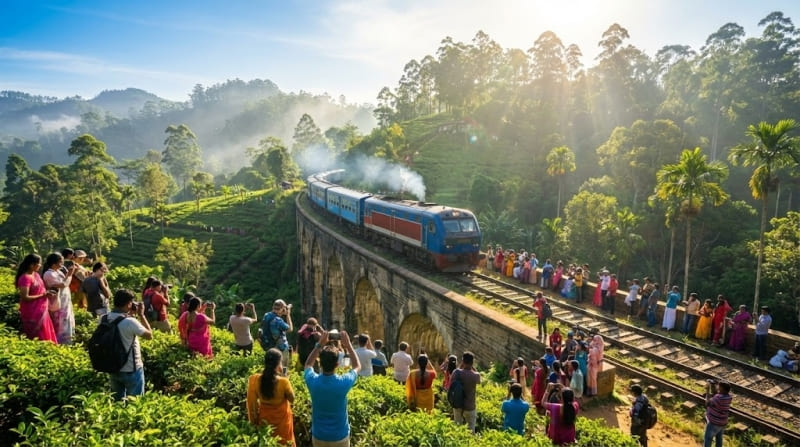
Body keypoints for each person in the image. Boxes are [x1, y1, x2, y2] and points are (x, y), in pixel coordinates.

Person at [304, 330, 360, 446]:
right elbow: (357, 366)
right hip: (339, 436)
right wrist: (348, 345)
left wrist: (319, 345)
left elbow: (308, 365)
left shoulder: (313, 381)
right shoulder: (343, 382)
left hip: (319, 435)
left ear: (320, 363)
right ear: (337, 365)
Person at [105, 289, 153, 401]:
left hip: (113, 367)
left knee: (117, 403)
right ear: (129, 304)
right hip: (132, 369)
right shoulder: (130, 322)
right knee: (135, 405)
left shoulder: (104, 318)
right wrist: (141, 315)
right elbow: (149, 335)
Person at [247, 348, 296, 446]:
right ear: (278, 365)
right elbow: (292, 399)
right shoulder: (283, 382)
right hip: (283, 424)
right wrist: (286, 379)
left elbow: (251, 404)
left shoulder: (254, 379)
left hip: (265, 422)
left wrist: (254, 423)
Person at [15, 254, 58, 343]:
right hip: (31, 311)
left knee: (45, 331)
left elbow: (41, 289)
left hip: (41, 309)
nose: (40, 265)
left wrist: (48, 293)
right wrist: (43, 295)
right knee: (37, 335)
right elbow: (25, 297)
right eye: (39, 264)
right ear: (32, 265)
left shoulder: (36, 275)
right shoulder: (25, 278)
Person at [41, 252, 76, 345]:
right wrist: (70, 275)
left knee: (67, 323)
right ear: (54, 263)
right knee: (61, 326)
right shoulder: (49, 274)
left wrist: (68, 275)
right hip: (58, 305)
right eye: (61, 262)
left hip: (65, 302)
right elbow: (63, 284)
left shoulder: (58, 272)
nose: (62, 264)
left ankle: (69, 344)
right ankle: (61, 345)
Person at [452, 351, 481, 432]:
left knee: (457, 428)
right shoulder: (476, 375)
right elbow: (479, 380)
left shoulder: (456, 372)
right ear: (472, 362)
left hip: (458, 404)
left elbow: (451, 384)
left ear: (463, 361)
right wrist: (472, 368)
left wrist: (461, 366)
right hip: (470, 405)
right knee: (471, 430)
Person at [260, 299, 293, 368]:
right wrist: (288, 315)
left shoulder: (266, 315)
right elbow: (290, 329)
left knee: (271, 367)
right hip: (280, 348)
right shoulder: (278, 320)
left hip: (269, 347)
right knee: (283, 367)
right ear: (282, 309)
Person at [703, 380, 732, 447]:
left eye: (719, 386)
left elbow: (707, 403)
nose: (717, 387)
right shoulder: (728, 397)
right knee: (719, 439)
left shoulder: (718, 398)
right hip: (722, 422)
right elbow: (717, 395)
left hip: (714, 423)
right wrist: (714, 388)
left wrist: (707, 390)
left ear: (722, 388)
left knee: (708, 439)